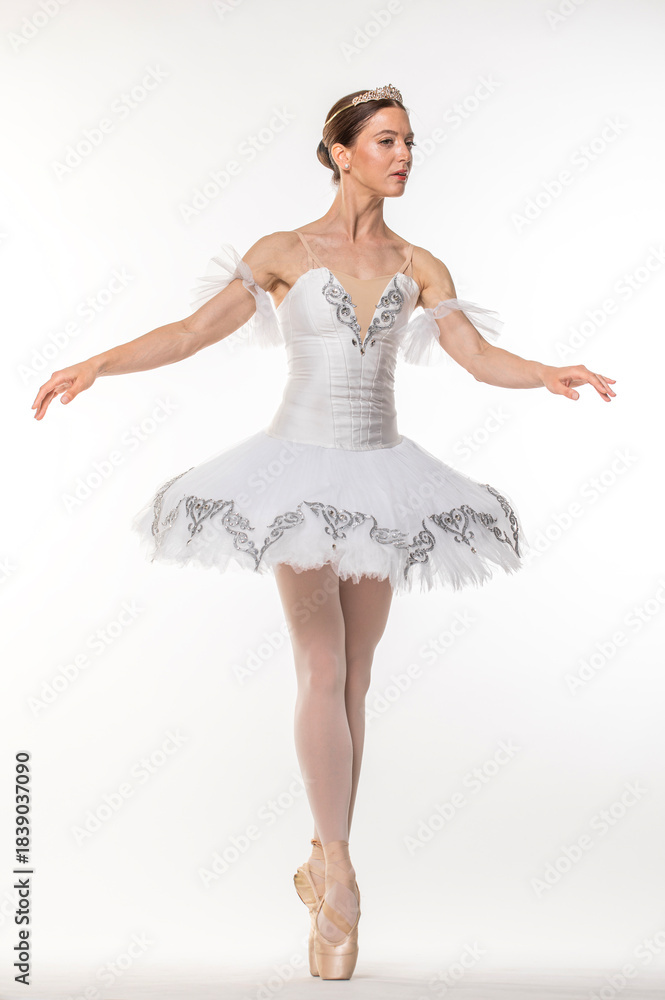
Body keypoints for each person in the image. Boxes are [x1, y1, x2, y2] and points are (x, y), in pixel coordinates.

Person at [31, 84, 616, 980]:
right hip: (294, 476)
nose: (404, 155)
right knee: (321, 663)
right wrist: (98, 363)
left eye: (410, 142)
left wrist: (545, 372)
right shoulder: (281, 252)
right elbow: (192, 332)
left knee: (358, 677)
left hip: (382, 477)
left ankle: (320, 856)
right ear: (340, 152)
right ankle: (338, 873)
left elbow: (474, 355)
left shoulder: (420, 263)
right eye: (386, 140)